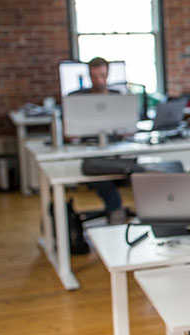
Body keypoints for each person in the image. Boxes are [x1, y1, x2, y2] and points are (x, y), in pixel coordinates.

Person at [69, 57, 126, 223]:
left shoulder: (118, 96)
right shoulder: (77, 98)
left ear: (108, 74)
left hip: (118, 148)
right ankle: (116, 210)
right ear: (89, 76)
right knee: (101, 170)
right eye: (95, 77)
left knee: (142, 167)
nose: (99, 80)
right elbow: (69, 132)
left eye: (102, 75)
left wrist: (127, 130)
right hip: (90, 149)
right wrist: (72, 133)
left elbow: (128, 125)